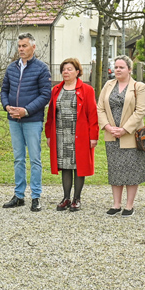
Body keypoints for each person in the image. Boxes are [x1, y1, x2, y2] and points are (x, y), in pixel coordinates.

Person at [0, 33, 52, 211]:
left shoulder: (41, 69)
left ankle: (36, 196)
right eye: (19, 46)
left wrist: (26, 110)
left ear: (33, 47)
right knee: (18, 158)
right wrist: (7, 106)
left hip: (32, 120)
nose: (21, 49)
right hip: (14, 120)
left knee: (35, 159)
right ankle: (19, 195)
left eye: (24, 46)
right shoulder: (11, 68)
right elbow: (4, 90)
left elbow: (45, 95)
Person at [45, 58, 98, 212]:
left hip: (80, 134)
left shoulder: (87, 90)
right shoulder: (56, 89)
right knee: (65, 165)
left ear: (77, 72)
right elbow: (50, 114)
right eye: (63, 69)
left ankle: (77, 199)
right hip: (61, 134)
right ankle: (66, 198)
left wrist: (93, 136)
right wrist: (49, 135)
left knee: (79, 166)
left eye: (69, 69)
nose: (65, 72)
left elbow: (92, 114)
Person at [98, 56, 145, 217]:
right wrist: (107, 127)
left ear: (129, 69)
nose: (118, 70)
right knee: (115, 170)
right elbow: (100, 108)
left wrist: (125, 129)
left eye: (122, 67)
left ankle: (129, 205)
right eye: (116, 67)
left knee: (132, 170)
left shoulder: (138, 87)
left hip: (131, 135)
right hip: (112, 134)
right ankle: (116, 204)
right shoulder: (108, 85)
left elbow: (140, 111)